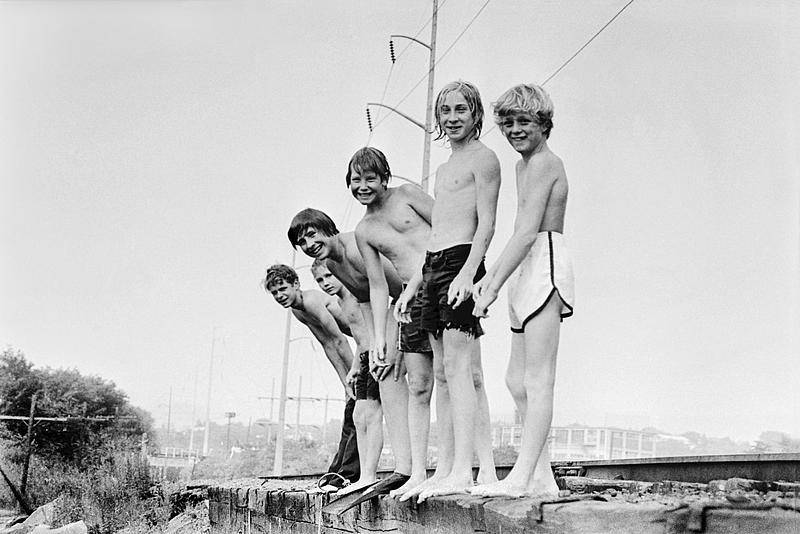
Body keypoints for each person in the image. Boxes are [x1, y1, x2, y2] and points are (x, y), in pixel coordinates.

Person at [348, 146, 497, 501]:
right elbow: (377, 284)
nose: (364, 185)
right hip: (408, 303)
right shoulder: (364, 229)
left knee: (469, 375)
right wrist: (379, 338)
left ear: (385, 177)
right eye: (356, 180)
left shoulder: (408, 196)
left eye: (371, 178)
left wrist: (473, 277)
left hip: (445, 281)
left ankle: (486, 467)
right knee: (420, 386)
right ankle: (419, 471)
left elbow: (451, 230)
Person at [394, 80, 501, 501]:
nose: (452, 118)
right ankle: (446, 467)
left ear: (475, 114)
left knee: (462, 371)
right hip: (436, 266)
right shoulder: (443, 169)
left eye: (461, 109)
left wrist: (468, 274)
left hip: (461, 263)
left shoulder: (485, 159)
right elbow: (438, 231)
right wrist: (416, 284)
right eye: (445, 111)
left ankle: (467, 469)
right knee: (442, 373)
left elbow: (486, 225)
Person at [470, 83, 574, 498]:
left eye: (524, 121)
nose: (515, 129)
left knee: (538, 378)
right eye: (507, 122)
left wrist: (490, 284)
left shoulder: (549, 163)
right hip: (524, 264)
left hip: (546, 259)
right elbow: (518, 234)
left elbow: (530, 231)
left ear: (544, 124)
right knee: (516, 381)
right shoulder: (521, 166)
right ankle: (542, 476)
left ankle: (521, 477)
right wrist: (493, 278)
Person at [288, 208, 412, 492]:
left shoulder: (355, 246)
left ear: (327, 227)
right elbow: (366, 301)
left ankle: (408, 469)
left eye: (311, 235)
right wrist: (370, 346)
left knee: (407, 387)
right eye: (301, 242)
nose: (308, 245)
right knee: (365, 409)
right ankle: (367, 476)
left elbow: (382, 288)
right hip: (387, 315)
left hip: (409, 297)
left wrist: (381, 339)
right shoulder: (332, 264)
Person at [262, 264, 359, 490]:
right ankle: (337, 472)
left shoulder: (313, 302)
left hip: (368, 339)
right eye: (275, 292)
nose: (279, 296)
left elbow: (340, 341)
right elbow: (327, 344)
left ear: (296, 284)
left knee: (359, 409)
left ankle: (348, 473)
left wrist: (354, 375)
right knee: (351, 408)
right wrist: (344, 382)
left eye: (283, 288)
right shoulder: (297, 310)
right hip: (356, 346)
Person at [311, 258, 384, 495]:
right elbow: (360, 338)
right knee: (358, 415)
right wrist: (354, 367)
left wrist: (378, 354)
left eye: (328, 276)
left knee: (370, 415)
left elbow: (373, 331)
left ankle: (369, 476)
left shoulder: (356, 294)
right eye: (319, 280)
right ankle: (364, 476)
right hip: (364, 358)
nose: (325, 283)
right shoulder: (342, 300)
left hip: (378, 354)